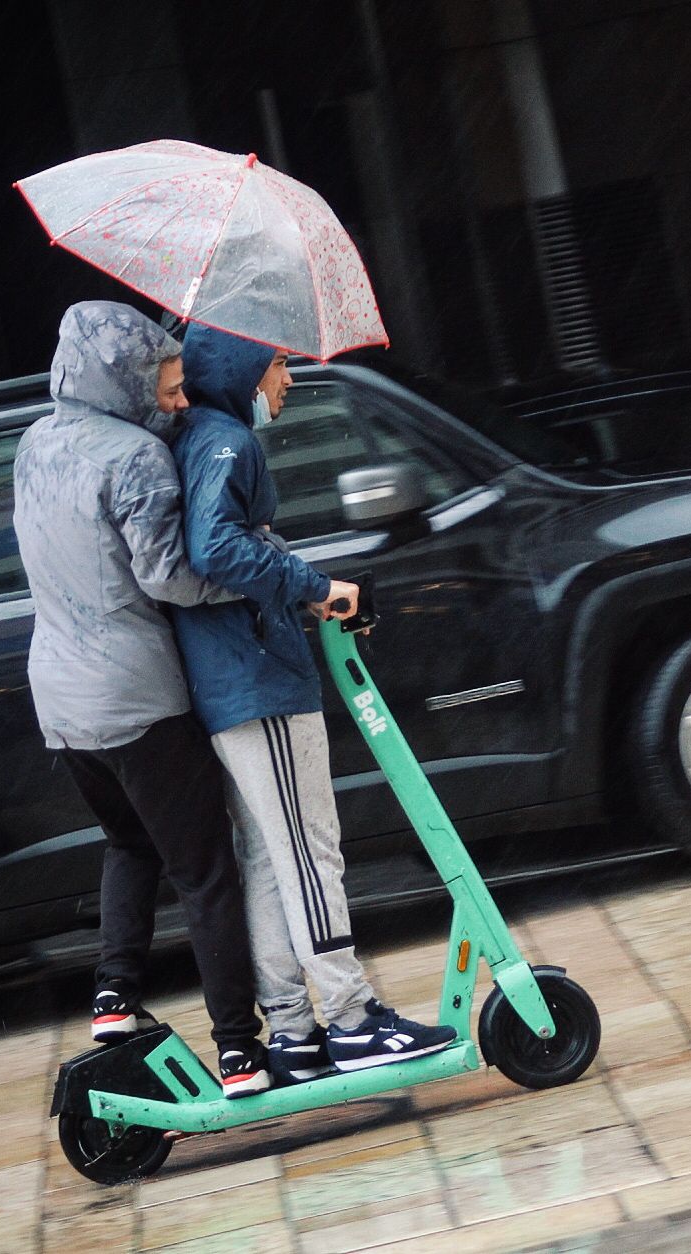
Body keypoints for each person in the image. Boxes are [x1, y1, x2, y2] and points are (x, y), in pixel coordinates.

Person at [171, 323, 455, 1082]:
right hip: (258, 680)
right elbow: (217, 548)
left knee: (269, 855)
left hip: (234, 681)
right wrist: (315, 585)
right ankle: (353, 1016)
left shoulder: (202, 435)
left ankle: (295, 1032)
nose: (289, 379)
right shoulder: (229, 442)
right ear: (242, 369)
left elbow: (225, 550)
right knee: (307, 849)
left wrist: (298, 586)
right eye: (280, 363)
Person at [13, 301, 269, 1097]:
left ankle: (114, 999)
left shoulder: (33, 443)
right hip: (134, 698)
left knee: (129, 844)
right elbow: (167, 577)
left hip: (59, 701)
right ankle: (239, 1052)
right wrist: (255, 573)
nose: (181, 402)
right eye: (165, 391)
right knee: (206, 871)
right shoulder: (135, 459)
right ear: (123, 386)